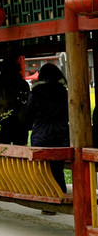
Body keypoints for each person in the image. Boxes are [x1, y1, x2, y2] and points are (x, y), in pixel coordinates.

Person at [23, 63, 70, 194]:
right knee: (57, 168)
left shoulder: (36, 92)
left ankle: (48, 200)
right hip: (61, 134)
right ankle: (61, 192)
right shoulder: (63, 93)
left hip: (40, 135)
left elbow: (28, 114)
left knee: (43, 170)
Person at [0, 56, 30, 145]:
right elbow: (28, 103)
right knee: (21, 153)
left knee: (3, 151)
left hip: (4, 122)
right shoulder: (23, 83)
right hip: (20, 124)